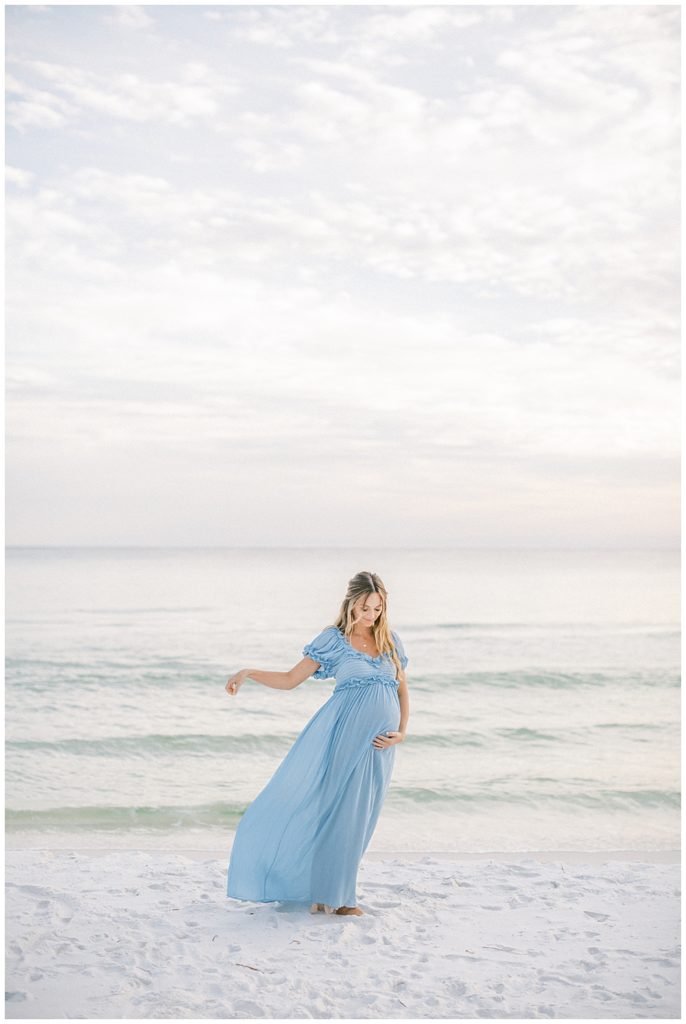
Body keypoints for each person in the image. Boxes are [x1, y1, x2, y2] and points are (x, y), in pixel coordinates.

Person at [225, 570, 409, 916]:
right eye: (365, 608)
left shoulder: (390, 641)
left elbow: (401, 688)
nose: (371, 616)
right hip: (345, 738)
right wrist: (248, 672)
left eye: (378, 609)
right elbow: (291, 679)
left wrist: (402, 730)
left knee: (363, 818)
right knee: (340, 815)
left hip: (381, 747)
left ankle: (328, 894)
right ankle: (338, 900)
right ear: (351, 602)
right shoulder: (334, 640)